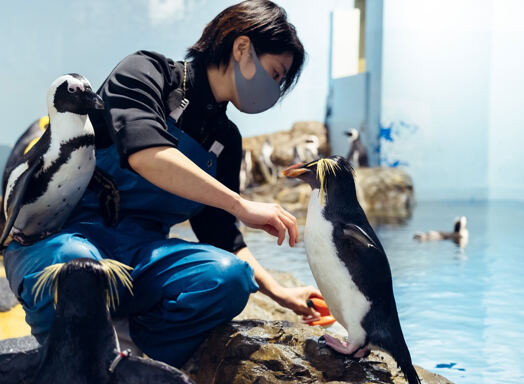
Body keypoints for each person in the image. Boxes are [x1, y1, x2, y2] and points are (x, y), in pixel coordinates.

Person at [4, 0, 323, 367]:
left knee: (231, 278)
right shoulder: (146, 72)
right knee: (78, 268)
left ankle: (143, 359)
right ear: (242, 49)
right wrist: (240, 203)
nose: (275, 90)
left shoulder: (225, 140)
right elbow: (146, 153)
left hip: (141, 258)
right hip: (63, 239)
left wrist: (282, 294)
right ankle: (70, 360)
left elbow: (223, 236)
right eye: (275, 73)